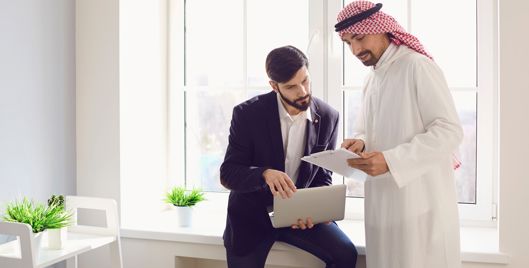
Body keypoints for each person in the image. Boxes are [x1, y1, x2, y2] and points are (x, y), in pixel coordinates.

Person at [334, 1, 464, 268]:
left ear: (381, 28)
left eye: (359, 38)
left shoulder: (416, 66)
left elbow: (449, 130)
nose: (356, 50)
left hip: (420, 202)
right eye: (348, 43)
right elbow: (371, 128)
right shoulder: (372, 77)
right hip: (383, 204)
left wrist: (391, 160)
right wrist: (361, 142)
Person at [220, 45, 357, 268]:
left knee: (346, 254)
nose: (302, 92)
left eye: (305, 81)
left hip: (300, 215)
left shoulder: (329, 117)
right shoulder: (247, 114)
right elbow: (228, 174)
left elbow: (322, 177)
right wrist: (263, 174)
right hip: (250, 216)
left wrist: (313, 211)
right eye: (291, 87)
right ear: (274, 86)